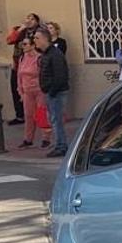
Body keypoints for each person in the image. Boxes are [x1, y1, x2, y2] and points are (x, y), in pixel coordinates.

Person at [34, 28, 70, 158]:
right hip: (51, 92)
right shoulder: (46, 54)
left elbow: (60, 75)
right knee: (53, 119)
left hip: (56, 92)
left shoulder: (55, 54)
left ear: (45, 38)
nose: (35, 41)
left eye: (37, 38)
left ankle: (61, 146)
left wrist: (52, 90)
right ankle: (60, 144)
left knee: (57, 120)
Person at [6, 13, 42, 125]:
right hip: (18, 64)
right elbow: (9, 40)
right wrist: (21, 29)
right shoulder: (19, 30)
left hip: (33, 65)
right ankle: (20, 115)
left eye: (32, 19)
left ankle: (37, 117)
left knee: (35, 92)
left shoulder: (40, 31)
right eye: (28, 18)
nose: (29, 20)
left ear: (37, 21)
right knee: (16, 89)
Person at [15, 37, 50, 149]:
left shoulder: (39, 58)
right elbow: (19, 76)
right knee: (28, 115)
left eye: (25, 44)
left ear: (32, 45)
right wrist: (20, 90)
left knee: (41, 114)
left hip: (39, 90)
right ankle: (28, 139)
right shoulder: (22, 58)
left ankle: (46, 138)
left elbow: (43, 74)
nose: (23, 46)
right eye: (22, 44)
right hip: (27, 91)